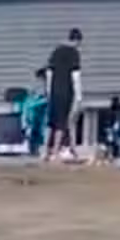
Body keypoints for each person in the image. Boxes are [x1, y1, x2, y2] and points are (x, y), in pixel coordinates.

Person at [43, 28, 83, 161]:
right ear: (77, 40)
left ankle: (44, 151)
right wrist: (78, 96)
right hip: (66, 91)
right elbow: (75, 76)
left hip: (54, 90)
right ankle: (55, 152)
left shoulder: (56, 51)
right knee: (62, 123)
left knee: (51, 122)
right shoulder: (74, 53)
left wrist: (48, 91)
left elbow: (49, 72)